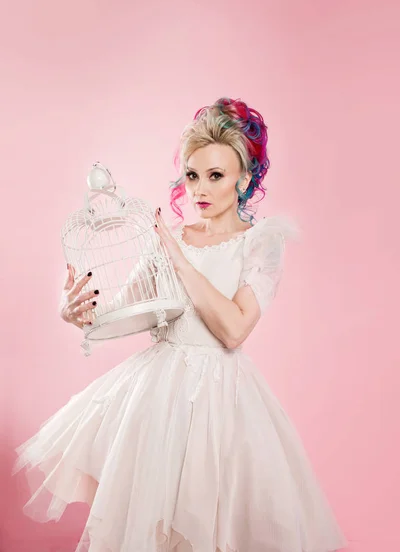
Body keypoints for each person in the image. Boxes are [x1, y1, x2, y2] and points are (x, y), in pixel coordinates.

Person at [12, 97, 348, 551]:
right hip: (157, 402)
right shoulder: (167, 239)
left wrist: (177, 256)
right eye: (192, 175)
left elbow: (233, 330)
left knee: (214, 527)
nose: (199, 190)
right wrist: (72, 311)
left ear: (244, 179)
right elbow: (116, 313)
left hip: (225, 407)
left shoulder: (261, 242)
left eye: (216, 176)